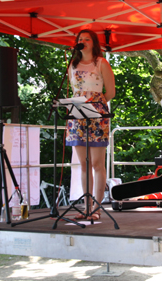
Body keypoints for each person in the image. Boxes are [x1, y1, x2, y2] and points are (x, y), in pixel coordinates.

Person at [66, 29, 116, 221]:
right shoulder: (73, 64)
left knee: (97, 163)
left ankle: (97, 207)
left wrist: (96, 103)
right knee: (84, 164)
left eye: (87, 39)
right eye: (80, 39)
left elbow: (110, 92)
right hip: (77, 113)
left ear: (94, 43)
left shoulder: (101, 63)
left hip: (97, 114)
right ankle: (86, 207)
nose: (83, 41)